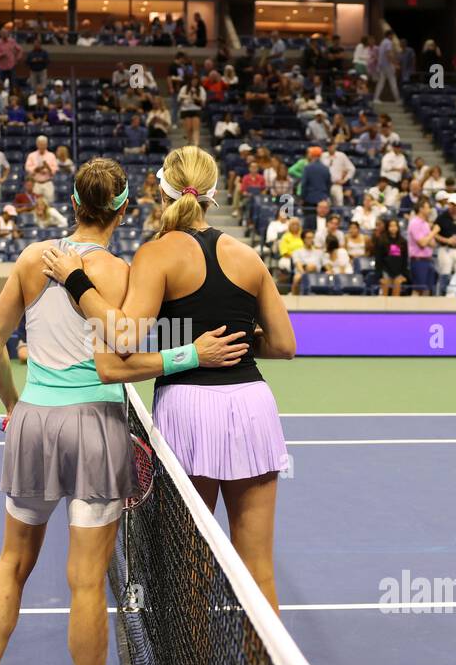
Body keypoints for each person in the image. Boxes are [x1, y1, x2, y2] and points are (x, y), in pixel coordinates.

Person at [0, 156, 245, 665]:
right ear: (122, 208)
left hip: (34, 423)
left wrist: (14, 406)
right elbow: (121, 347)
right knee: (87, 581)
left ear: (72, 203)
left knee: (11, 561)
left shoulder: (29, 260)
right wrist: (189, 353)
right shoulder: (124, 272)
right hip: (95, 426)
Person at [41, 145, 296, 627]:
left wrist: (77, 282)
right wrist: (235, 343)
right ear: (214, 194)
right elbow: (284, 345)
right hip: (253, 406)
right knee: (259, 568)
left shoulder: (156, 254)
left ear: (161, 190)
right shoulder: (247, 256)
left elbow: (121, 341)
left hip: (189, 408)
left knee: (191, 570)